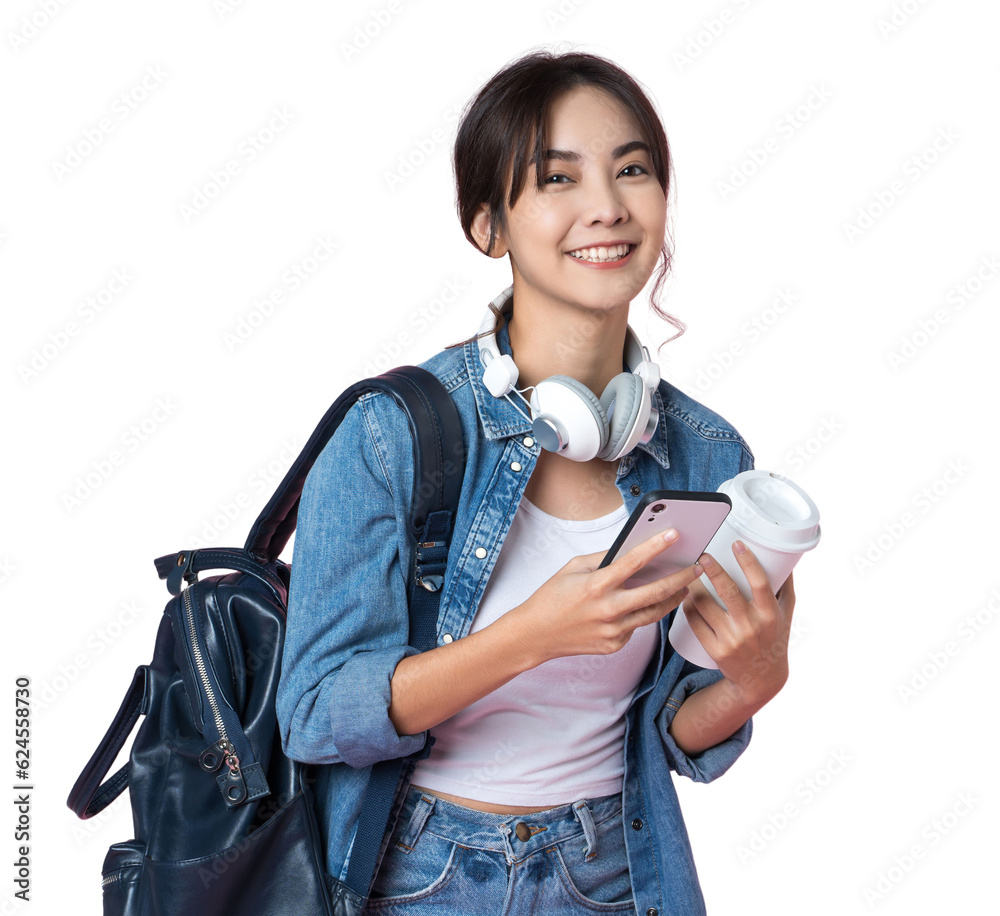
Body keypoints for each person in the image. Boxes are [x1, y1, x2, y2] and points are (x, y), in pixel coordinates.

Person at [276, 48, 796, 916]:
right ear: (489, 225)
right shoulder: (391, 434)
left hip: (615, 876)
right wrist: (534, 634)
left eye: (632, 169)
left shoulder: (709, 458)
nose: (607, 206)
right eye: (558, 179)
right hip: (418, 876)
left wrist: (753, 679)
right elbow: (319, 713)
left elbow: (668, 734)